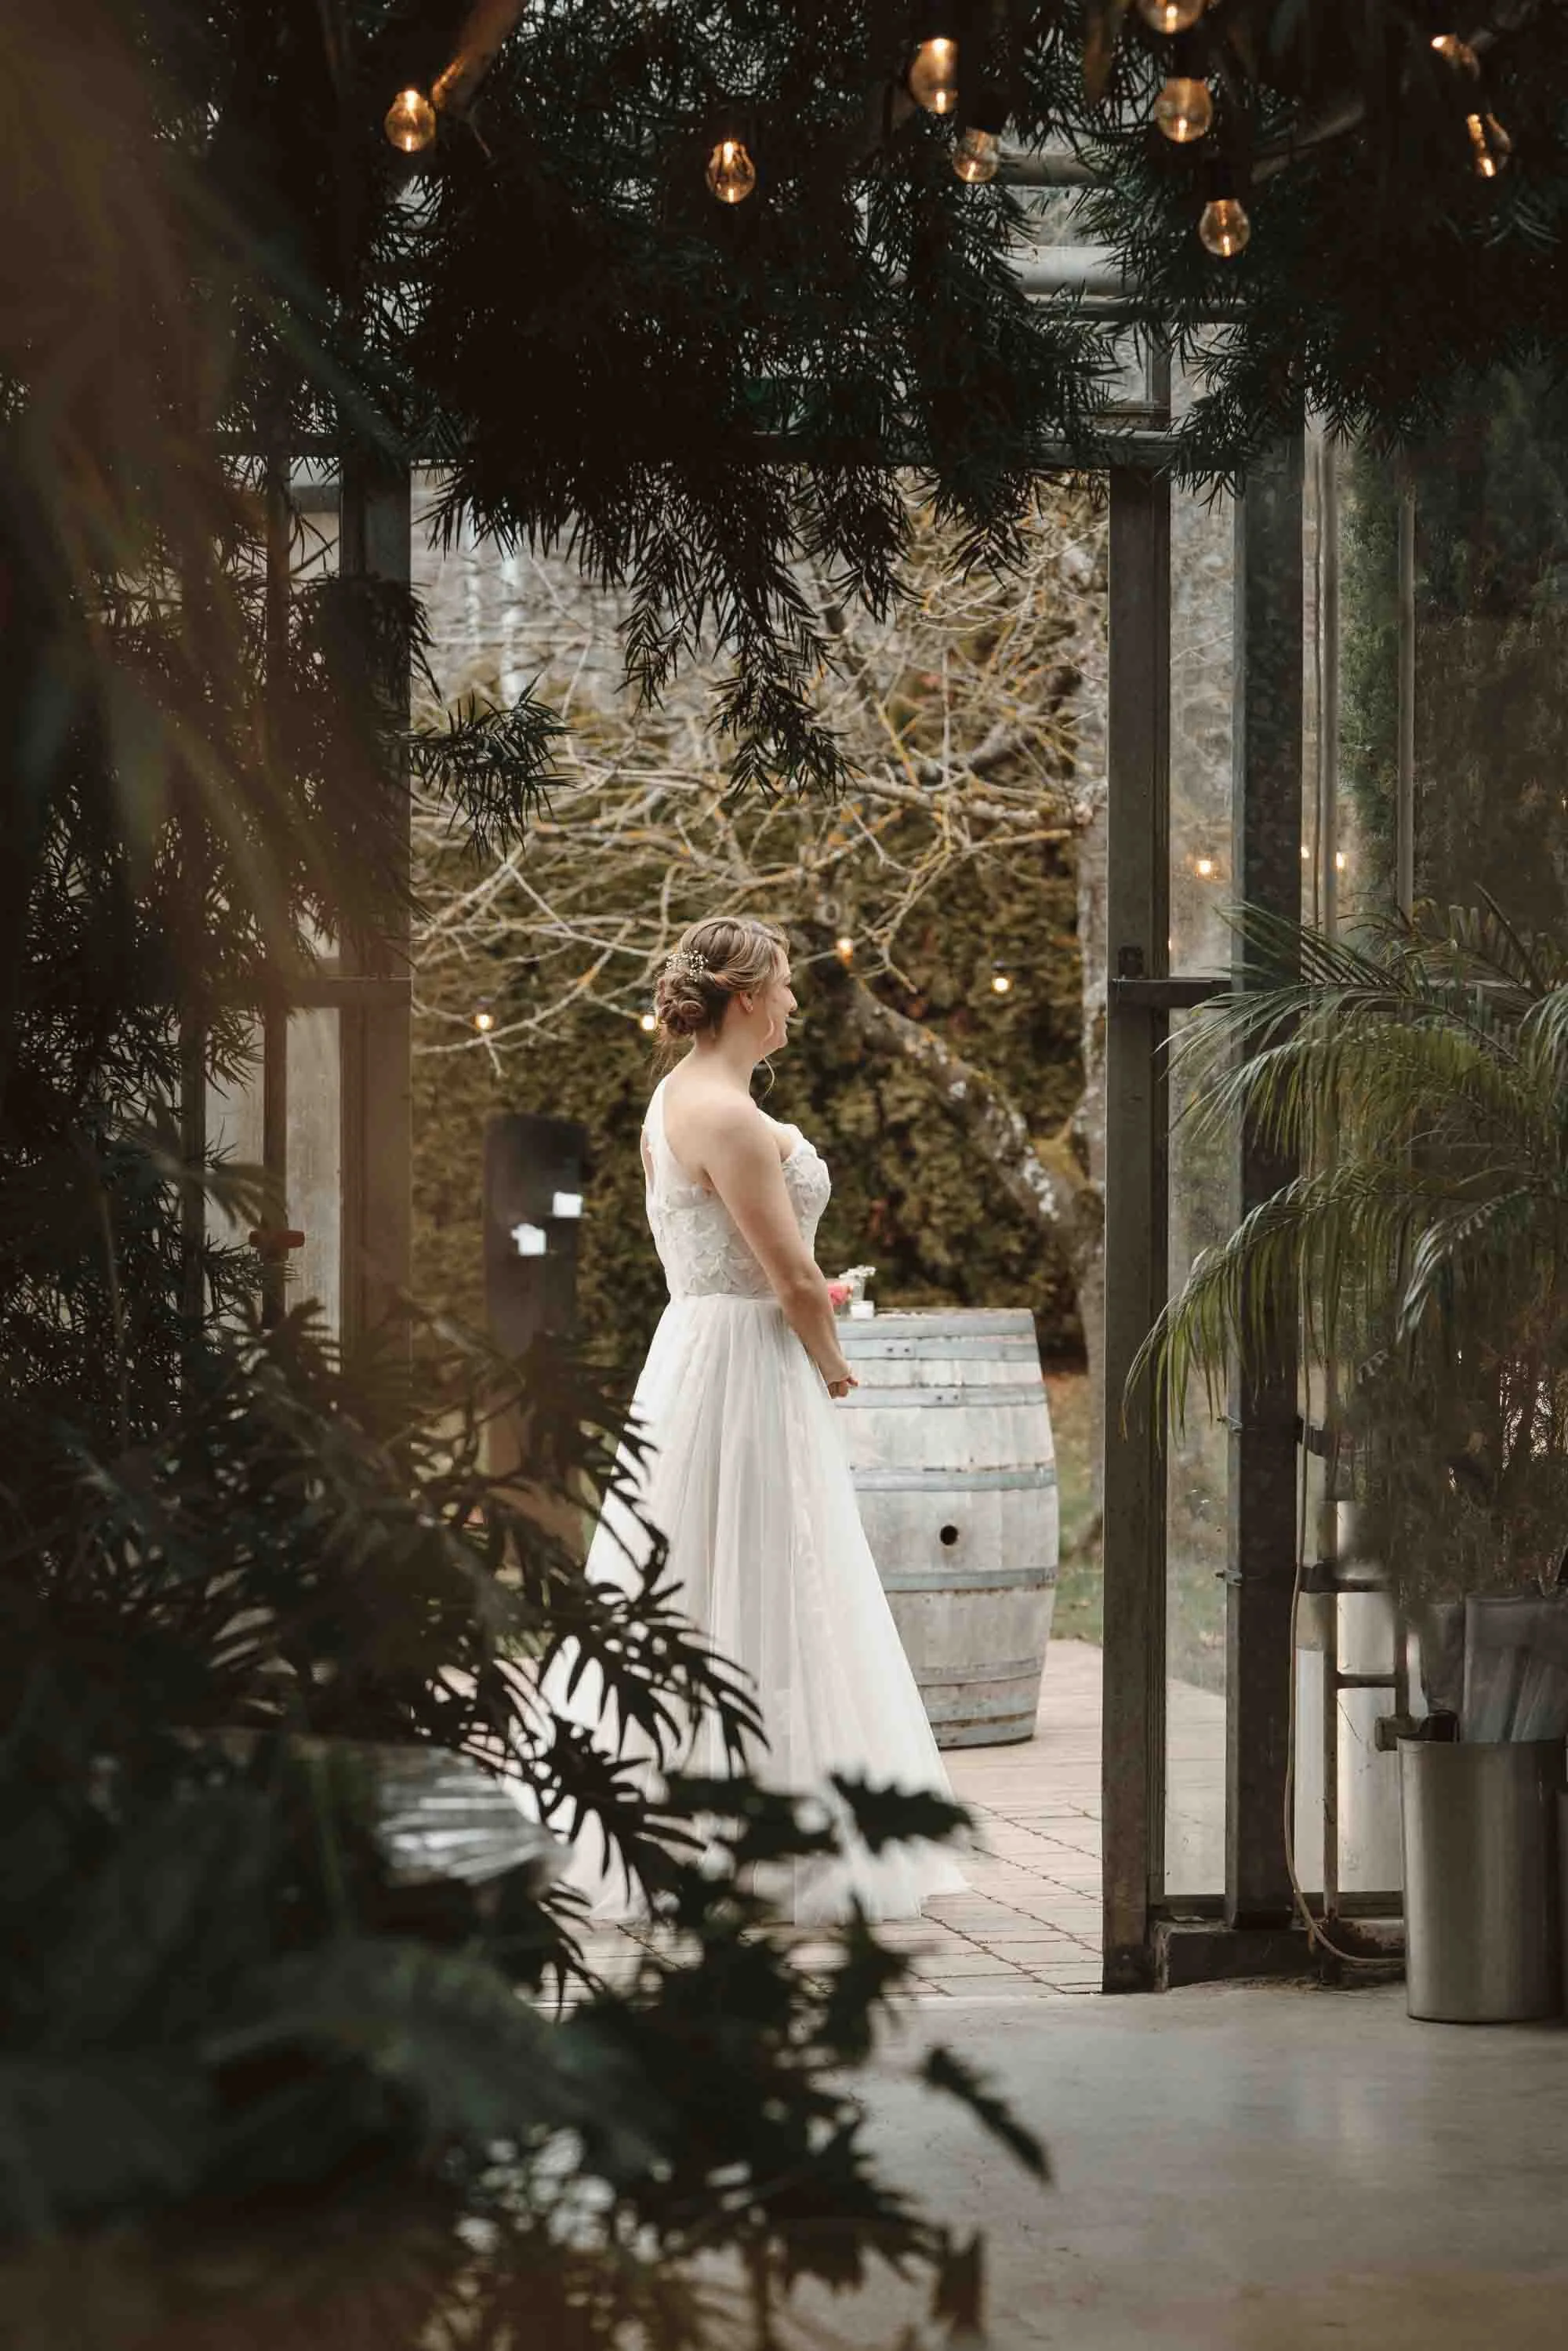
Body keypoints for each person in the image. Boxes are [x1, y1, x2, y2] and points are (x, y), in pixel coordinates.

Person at [545, 912, 966, 1924]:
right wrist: (832, 1363)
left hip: (701, 1350)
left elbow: (752, 1264)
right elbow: (785, 1274)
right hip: (744, 1368)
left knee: (708, 1570)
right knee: (771, 1571)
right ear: (743, 998)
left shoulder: (676, 1097)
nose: (791, 1001)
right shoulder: (727, 1116)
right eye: (781, 985)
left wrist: (817, 1303)